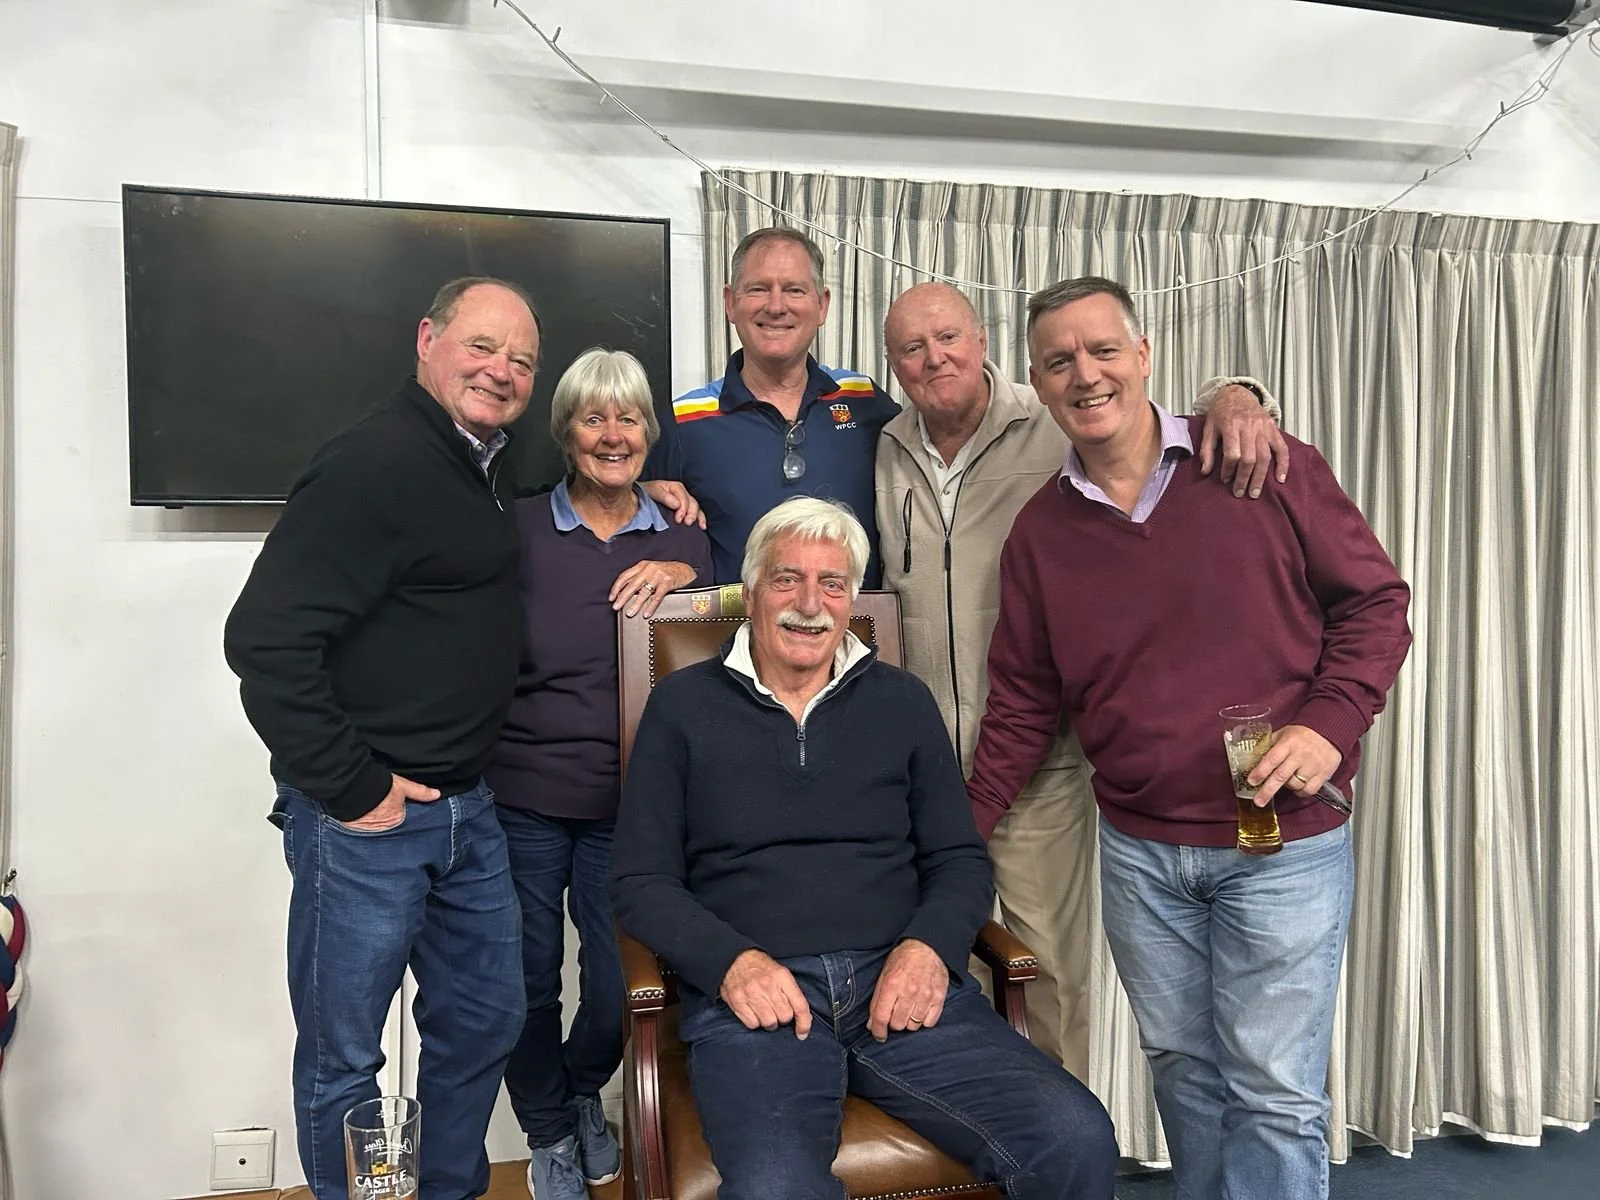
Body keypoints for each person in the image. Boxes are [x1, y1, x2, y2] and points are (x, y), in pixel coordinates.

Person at [967, 276, 1411, 1200]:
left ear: (1144, 356)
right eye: (1059, 362)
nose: (1084, 374)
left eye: (1101, 350)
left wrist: (1331, 726)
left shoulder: (1261, 463)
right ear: (1039, 388)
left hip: (1283, 846)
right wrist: (955, 834)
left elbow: (1376, 604)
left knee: (1276, 1096)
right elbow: (1020, 704)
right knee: (1185, 1075)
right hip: (1140, 853)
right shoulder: (1041, 535)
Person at [611, 497, 1119, 1200]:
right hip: (762, 1003)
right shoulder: (682, 706)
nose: (809, 604)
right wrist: (731, 965)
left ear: (852, 598)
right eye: (787, 579)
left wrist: (929, 951)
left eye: (832, 583)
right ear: (752, 591)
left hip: (901, 985)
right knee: (774, 1190)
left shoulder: (902, 703)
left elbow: (958, 859)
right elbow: (640, 879)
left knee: (1075, 1138)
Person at [874, 280, 1287, 1076]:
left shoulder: (1054, 416)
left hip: (1037, 766)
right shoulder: (883, 445)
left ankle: (1055, 1154)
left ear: (984, 341)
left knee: (1045, 978)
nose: (935, 359)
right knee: (929, 975)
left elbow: (1155, 414)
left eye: (949, 337)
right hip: (917, 773)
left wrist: (1238, 396)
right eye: (912, 349)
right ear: (892, 366)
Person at [224, 277, 539, 1200]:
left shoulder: (482, 464)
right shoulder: (374, 462)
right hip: (366, 825)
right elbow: (264, 640)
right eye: (482, 347)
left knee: (484, 1019)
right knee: (344, 1055)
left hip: (468, 811)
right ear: (428, 340)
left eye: (521, 359)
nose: (502, 371)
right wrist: (353, 788)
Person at [485, 347, 711, 1200]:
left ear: (650, 434)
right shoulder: (518, 529)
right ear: (565, 431)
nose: (612, 435)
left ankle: (582, 1089)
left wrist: (690, 571)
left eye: (628, 418)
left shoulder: (687, 529)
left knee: (624, 988)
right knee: (522, 981)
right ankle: (549, 1128)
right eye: (592, 417)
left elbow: (735, 620)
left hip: (638, 809)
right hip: (523, 801)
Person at [645, 227, 899, 585]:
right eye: (758, 289)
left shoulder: (865, 400)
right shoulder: (683, 422)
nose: (776, 306)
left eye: (794, 289)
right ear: (730, 302)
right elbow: (616, 506)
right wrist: (640, 490)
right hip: (734, 636)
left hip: (857, 634)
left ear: (822, 304)